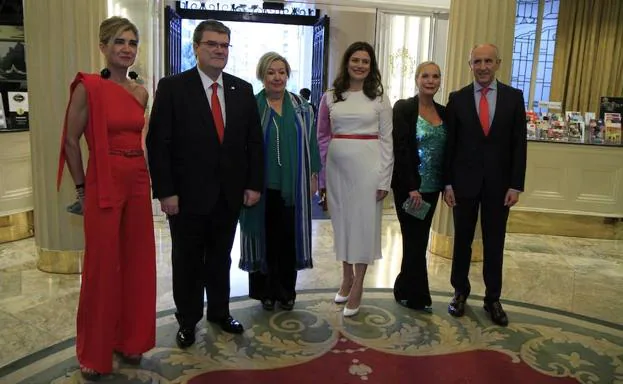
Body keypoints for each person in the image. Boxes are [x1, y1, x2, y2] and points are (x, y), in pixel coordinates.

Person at [146, 20, 264, 348]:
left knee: (220, 258)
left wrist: (253, 184)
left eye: (224, 45)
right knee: (187, 260)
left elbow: (253, 143)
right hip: (185, 197)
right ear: (196, 47)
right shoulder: (173, 87)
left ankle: (220, 312)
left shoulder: (242, 90)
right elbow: (159, 143)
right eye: (211, 44)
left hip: (228, 195)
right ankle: (188, 320)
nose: (218, 50)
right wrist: (166, 191)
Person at [56, 16, 155, 380]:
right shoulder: (89, 87)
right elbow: (69, 140)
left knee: (136, 263)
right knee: (101, 268)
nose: (126, 48)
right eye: (118, 42)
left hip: (138, 180)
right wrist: (82, 188)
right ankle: (94, 352)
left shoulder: (141, 92)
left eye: (131, 42)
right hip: (104, 179)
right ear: (103, 47)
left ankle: (129, 341)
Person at [443, 43, 527, 326]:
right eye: (477, 61)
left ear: (498, 63)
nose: (482, 67)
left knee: (494, 243)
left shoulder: (514, 98)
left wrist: (515, 185)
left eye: (488, 61)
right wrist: (448, 183)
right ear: (470, 65)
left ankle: (493, 298)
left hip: (499, 187)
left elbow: (519, 145)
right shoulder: (457, 99)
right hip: (464, 185)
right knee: (462, 242)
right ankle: (459, 292)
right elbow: (450, 146)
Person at [317, 41, 393, 317]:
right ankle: (346, 277)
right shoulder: (330, 96)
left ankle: (359, 284)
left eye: (365, 61)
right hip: (337, 169)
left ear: (371, 66)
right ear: (347, 62)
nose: (360, 65)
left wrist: (384, 180)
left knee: (363, 228)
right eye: (355, 60)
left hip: (368, 169)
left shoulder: (380, 99)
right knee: (343, 226)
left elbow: (387, 141)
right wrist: (323, 177)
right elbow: (322, 137)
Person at [239, 52, 320, 311]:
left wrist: (313, 176)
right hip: (260, 188)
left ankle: (286, 291)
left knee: (287, 240)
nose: (277, 77)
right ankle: (265, 292)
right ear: (262, 75)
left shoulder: (301, 107)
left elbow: (311, 143)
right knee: (264, 239)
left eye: (282, 72)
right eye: (271, 72)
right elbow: (242, 148)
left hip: (293, 187)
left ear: (288, 75)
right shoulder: (251, 106)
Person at [391, 61, 446, 312]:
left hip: (433, 189)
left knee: (419, 239)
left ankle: (404, 286)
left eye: (435, 76)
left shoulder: (445, 112)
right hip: (409, 188)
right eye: (425, 76)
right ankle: (417, 295)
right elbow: (400, 149)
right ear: (416, 78)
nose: (430, 80)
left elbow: (448, 151)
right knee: (413, 239)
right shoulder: (404, 108)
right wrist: (412, 186)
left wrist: (448, 184)